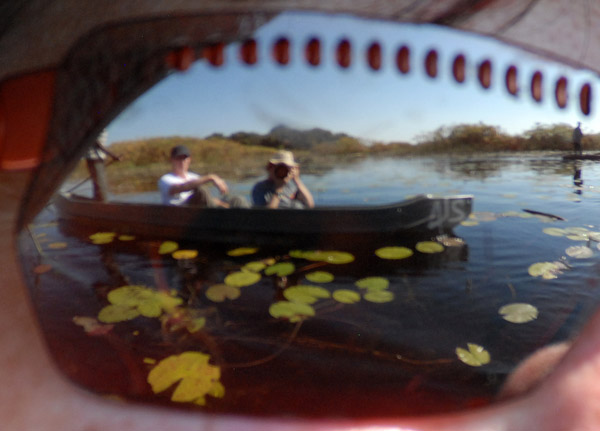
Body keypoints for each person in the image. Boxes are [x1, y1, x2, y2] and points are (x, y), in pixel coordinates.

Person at [7, 3, 600, 431]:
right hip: (195, 218)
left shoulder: (284, 190)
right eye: (298, 66)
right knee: (213, 207)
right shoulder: (175, 179)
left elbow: (307, 211)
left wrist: (304, 188)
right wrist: (211, 181)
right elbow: (182, 189)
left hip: (229, 218)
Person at [158, 145, 248, 208]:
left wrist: (224, 205)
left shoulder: (195, 177)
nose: (182, 162)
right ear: (172, 160)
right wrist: (210, 177)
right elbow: (180, 187)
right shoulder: (166, 179)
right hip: (183, 214)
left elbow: (207, 199)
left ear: (189, 160)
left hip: (203, 211)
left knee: (238, 200)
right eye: (178, 158)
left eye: (184, 158)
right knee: (201, 190)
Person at [85, 129, 120, 201]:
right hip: (94, 158)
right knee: (100, 184)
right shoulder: (96, 126)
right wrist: (113, 155)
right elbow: (97, 144)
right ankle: (101, 205)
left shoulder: (102, 127)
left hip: (98, 158)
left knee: (99, 183)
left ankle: (98, 203)